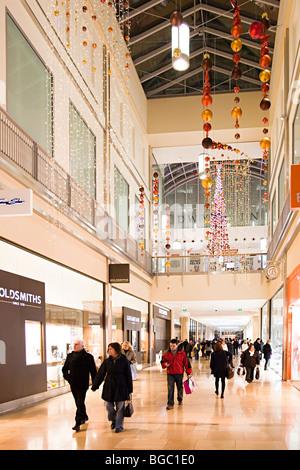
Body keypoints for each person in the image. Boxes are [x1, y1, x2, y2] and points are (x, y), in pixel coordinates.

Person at [92, 342, 133, 433]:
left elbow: (128, 376)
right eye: (108, 349)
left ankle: (119, 426)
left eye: (111, 349)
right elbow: (100, 374)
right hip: (109, 386)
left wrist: (130, 390)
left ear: (116, 350)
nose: (109, 351)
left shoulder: (124, 360)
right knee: (108, 406)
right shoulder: (107, 361)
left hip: (121, 386)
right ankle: (114, 419)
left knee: (120, 407)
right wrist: (95, 385)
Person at [62, 339, 97, 432]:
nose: (74, 346)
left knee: (80, 401)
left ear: (82, 346)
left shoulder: (88, 357)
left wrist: (95, 384)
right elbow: (65, 369)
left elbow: (93, 371)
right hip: (73, 383)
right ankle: (84, 416)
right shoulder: (70, 356)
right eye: (74, 344)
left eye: (76, 344)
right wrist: (68, 378)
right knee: (78, 402)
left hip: (83, 383)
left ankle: (78, 422)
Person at [161, 339, 192, 410]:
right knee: (170, 389)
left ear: (177, 345)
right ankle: (170, 404)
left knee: (179, 387)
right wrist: (165, 364)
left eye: (174, 346)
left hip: (179, 373)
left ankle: (180, 398)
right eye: (171, 346)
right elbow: (162, 362)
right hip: (170, 374)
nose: (172, 347)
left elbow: (187, 364)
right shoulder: (166, 354)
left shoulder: (182, 354)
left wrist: (188, 373)